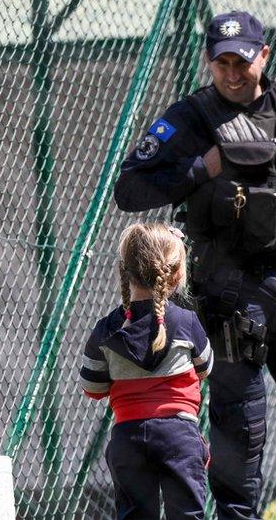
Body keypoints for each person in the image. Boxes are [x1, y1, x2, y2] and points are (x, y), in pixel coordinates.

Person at [114, 11, 276, 519]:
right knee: (240, 441)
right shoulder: (191, 117)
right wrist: (201, 168)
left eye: (243, 61)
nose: (233, 73)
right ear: (210, 63)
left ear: (265, 56)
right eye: (222, 63)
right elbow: (130, 187)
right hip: (232, 295)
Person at [79, 222, 213, 519]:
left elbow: (92, 387)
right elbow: (205, 367)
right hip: (179, 435)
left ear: (125, 272)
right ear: (176, 274)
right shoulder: (186, 322)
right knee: (188, 513)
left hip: (127, 437)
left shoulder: (106, 329)